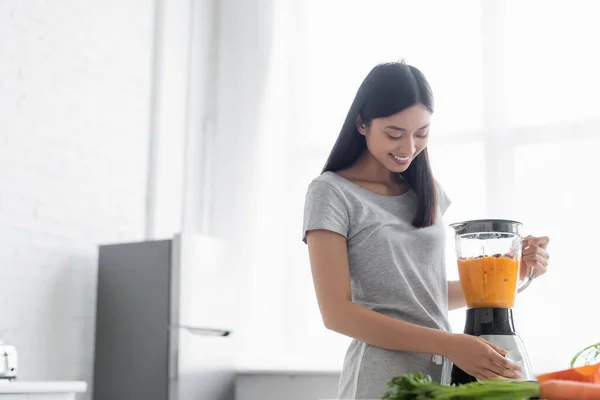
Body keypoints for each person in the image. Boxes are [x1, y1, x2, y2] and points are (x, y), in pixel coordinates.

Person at [301, 61, 550, 400]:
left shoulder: (426, 190)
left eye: (421, 134)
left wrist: (516, 273)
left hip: (442, 376)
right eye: (393, 134)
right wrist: (449, 344)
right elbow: (337, 313)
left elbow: (426, 295)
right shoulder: (331, 192)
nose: (407, 149)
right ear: (361, 123)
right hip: (381, 379)